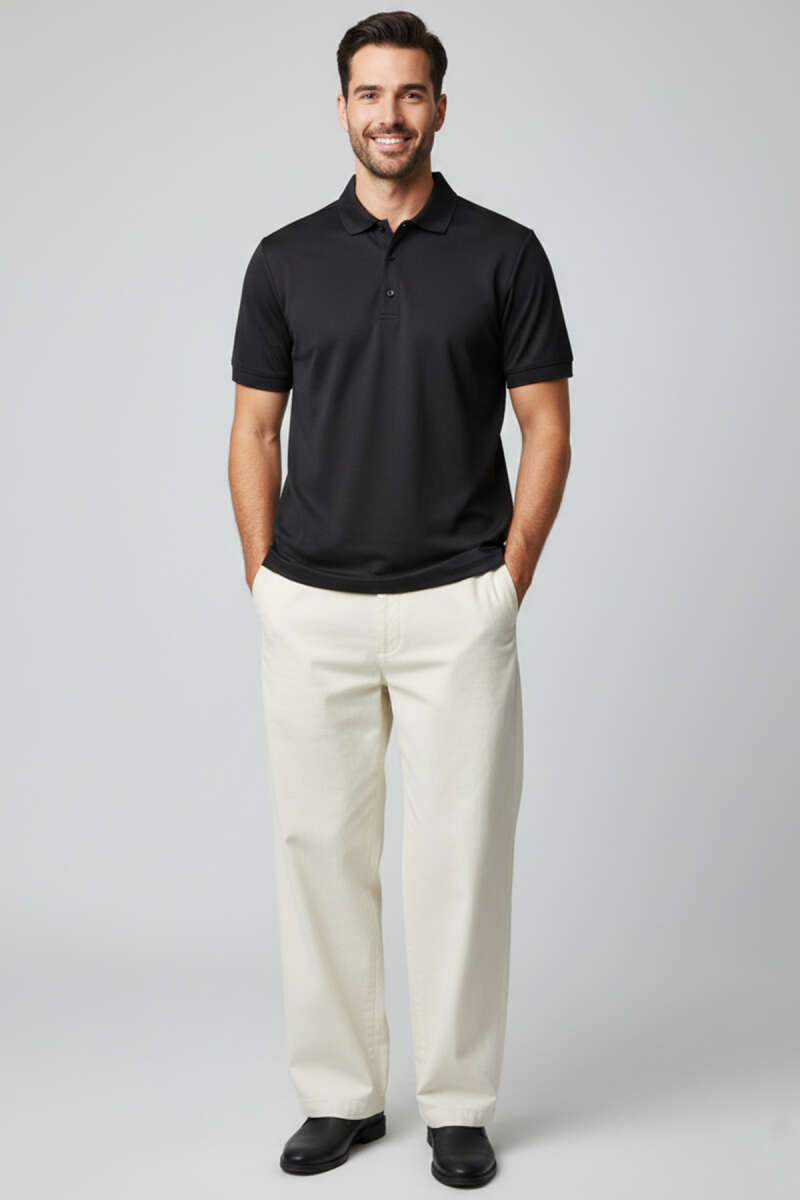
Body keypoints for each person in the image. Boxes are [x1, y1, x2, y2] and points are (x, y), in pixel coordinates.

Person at [228, 10, 573, 1188]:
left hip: (455, 608)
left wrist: (505, 582)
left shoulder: (504, 253)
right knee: (317, 854)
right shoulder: (283, 260)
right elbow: (252, 430)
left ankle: (458, 1104)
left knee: (460, 862)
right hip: (310, 607)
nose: (390, 115)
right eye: (369, 94)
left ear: (439, 108)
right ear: (341, 109)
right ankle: (339, 1096)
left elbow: (545, 429)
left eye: (410, 93)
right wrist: (263, 578)